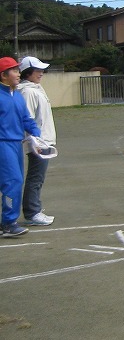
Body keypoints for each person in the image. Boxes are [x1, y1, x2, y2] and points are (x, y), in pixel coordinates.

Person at [1, 57, 41, 238]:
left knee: (15, 181)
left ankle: (7, 222)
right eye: (14, 71)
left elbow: (26, 118)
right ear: (3, 75)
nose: (19, 74)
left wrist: (36, 135)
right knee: (13, 181)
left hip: (16, 144)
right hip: (3, 143)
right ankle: (8, 223)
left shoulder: (16, 94)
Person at [18, 56, 56, 226]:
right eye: (38, 70)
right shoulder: (28, 92)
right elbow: (28, 119)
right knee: (36, 177)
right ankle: (32, 212)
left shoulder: (35, 88)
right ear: (28, 73)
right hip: (39, 143)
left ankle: (34, 210)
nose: (41, 73)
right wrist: (35, 143)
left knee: (37, 177)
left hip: (44, 140)